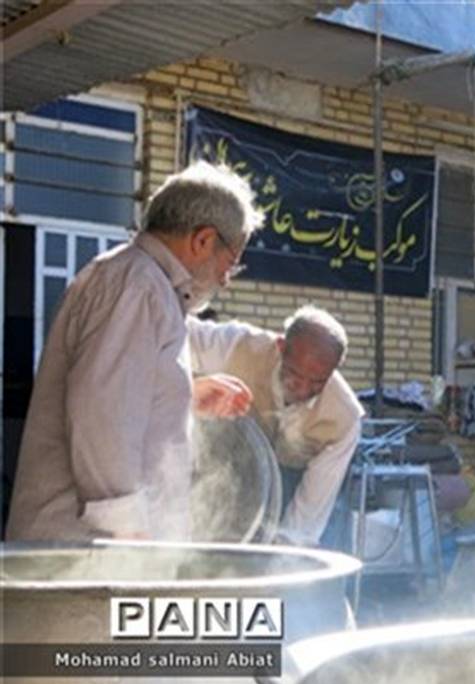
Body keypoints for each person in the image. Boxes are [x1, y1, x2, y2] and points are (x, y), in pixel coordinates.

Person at [7, 162, 261, 541]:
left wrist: (186, 395)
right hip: (85, 549)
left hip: (99, 548)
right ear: (203, 240)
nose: (226, 278)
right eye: (232, 261)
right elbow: (103, 412)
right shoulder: (137, 284)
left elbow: (120, 393)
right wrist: (127, 529)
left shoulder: (143, 283)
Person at [188, 305, 363, 548]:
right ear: (281, 347)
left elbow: (307, 516)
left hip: (296, 483)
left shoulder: (344, 419)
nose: (303, 389)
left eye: (317, 382)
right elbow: (177, 336)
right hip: (231, 466)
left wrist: (281, 556)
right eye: (295, 374)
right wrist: (195, 386)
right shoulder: (240, 346)